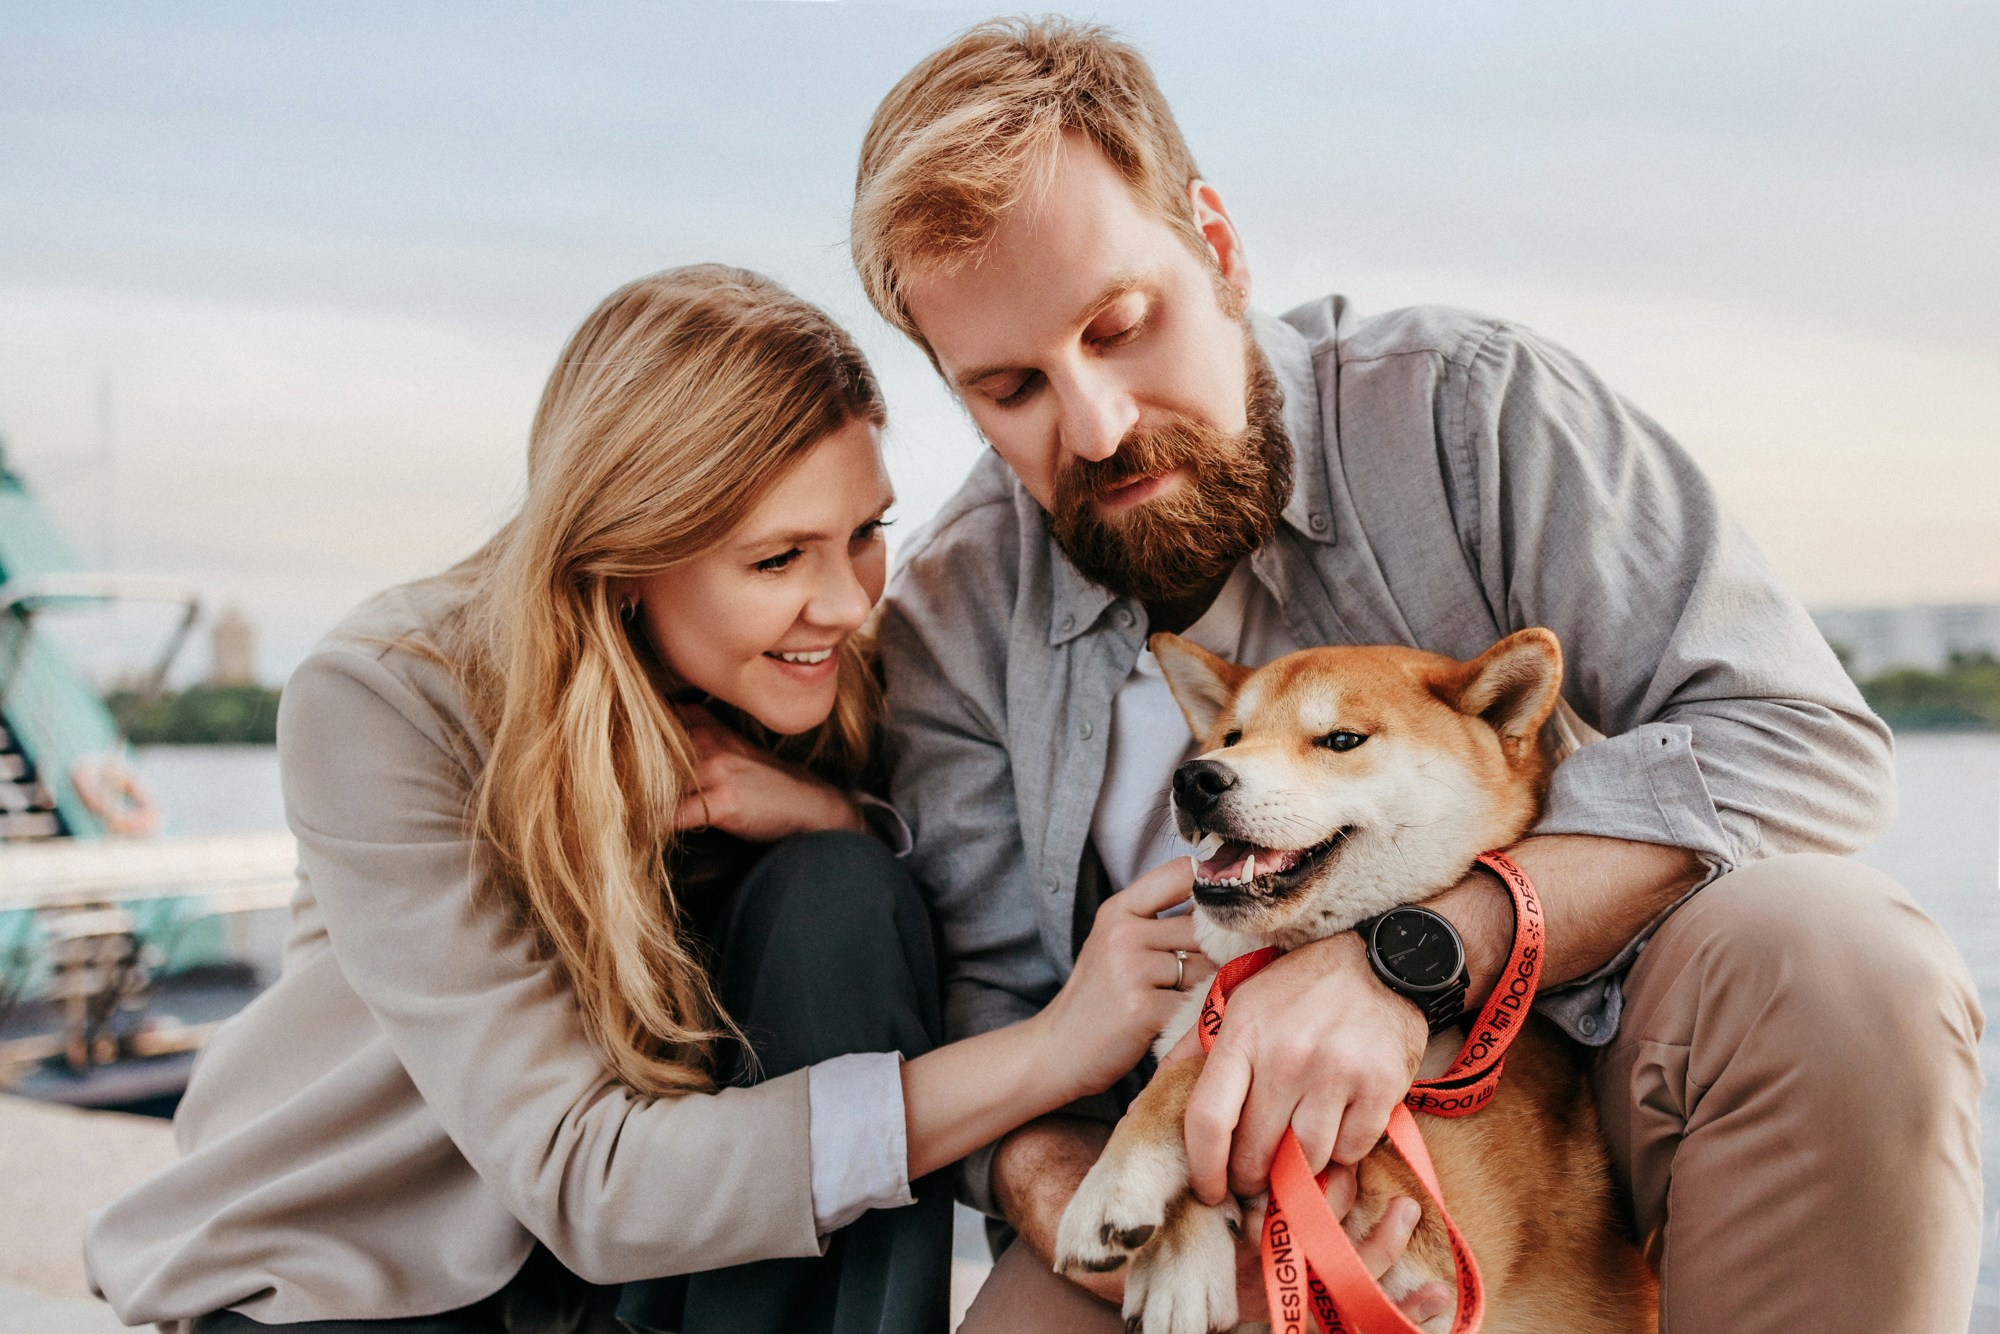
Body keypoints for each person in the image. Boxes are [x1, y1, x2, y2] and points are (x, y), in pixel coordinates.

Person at [854, 18, 1985, 1332]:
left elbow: (1803, 741)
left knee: (1843, 961)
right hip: (1195, 1186)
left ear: (1216, 245)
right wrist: (1093, 1215)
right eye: (1011, 389)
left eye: (1119, 326)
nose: (1095, 422)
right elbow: (987, 1014)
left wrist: (1413, 958)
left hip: (1591, 1105)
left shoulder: (1472, 416)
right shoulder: (947, 618)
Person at [82, 265, 1228, 1334]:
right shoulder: (388, 698)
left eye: (864, 534)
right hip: (369, 1276)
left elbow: (878, 939)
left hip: (644, 1283)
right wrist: (1050, 1054)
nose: (842, 602)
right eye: (777, 558)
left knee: (845, 894)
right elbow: (588, 1176)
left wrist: (837, 821)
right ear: (630, 553)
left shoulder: (822, 680)